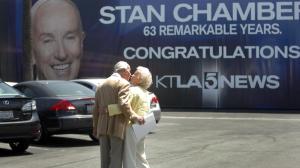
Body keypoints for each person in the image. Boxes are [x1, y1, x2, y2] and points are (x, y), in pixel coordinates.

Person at [93, 61, 144, 168]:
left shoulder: (100, 85)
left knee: (104, 159)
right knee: (115, 159)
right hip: (117, 126)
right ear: (124, 71)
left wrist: (95, 127)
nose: (130, 75)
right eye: (129, 71)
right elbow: (124, 104)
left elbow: (95, 109)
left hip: (102, 126)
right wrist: (134, 116)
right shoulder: (123, 83)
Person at [31, 0, 85, 80]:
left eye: (69, 37)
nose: (62, 54)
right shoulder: (16, 92)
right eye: (48, 40)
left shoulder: (100, 91)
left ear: (81, 42)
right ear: (31, 52)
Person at [123, 66, 153, 168]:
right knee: (140, 155)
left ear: (140, 78)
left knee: (129, 156)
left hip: (132, 125)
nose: (132, 75)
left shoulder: (133, 90)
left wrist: (107, 109)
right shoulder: (145, 92)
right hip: (144, 124)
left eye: (135, 74)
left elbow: (123, 106)